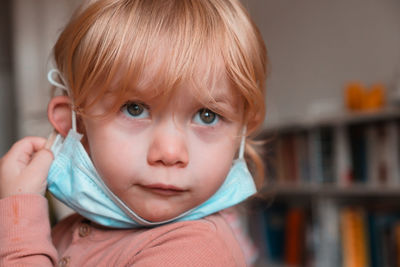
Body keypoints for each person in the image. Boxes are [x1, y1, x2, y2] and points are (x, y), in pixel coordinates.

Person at [0, 0, 267, 265]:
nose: (170, 153)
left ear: (241, 131)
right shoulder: (68, 232)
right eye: (135, 108)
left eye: (207, 116)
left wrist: (19, 227)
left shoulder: (195, 251)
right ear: (75, 123)